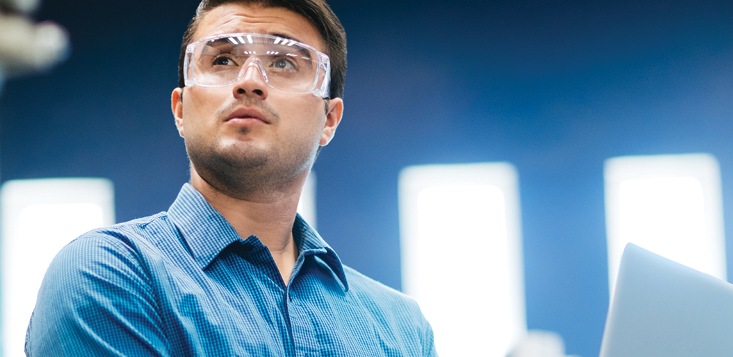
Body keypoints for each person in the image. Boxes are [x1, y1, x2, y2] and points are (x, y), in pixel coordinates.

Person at [25, 0, 437, 355]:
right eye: (222, 60)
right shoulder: (109, 275)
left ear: (329, 119)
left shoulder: (402, 330)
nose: (250, 81)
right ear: (180, 109)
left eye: (283, 62)